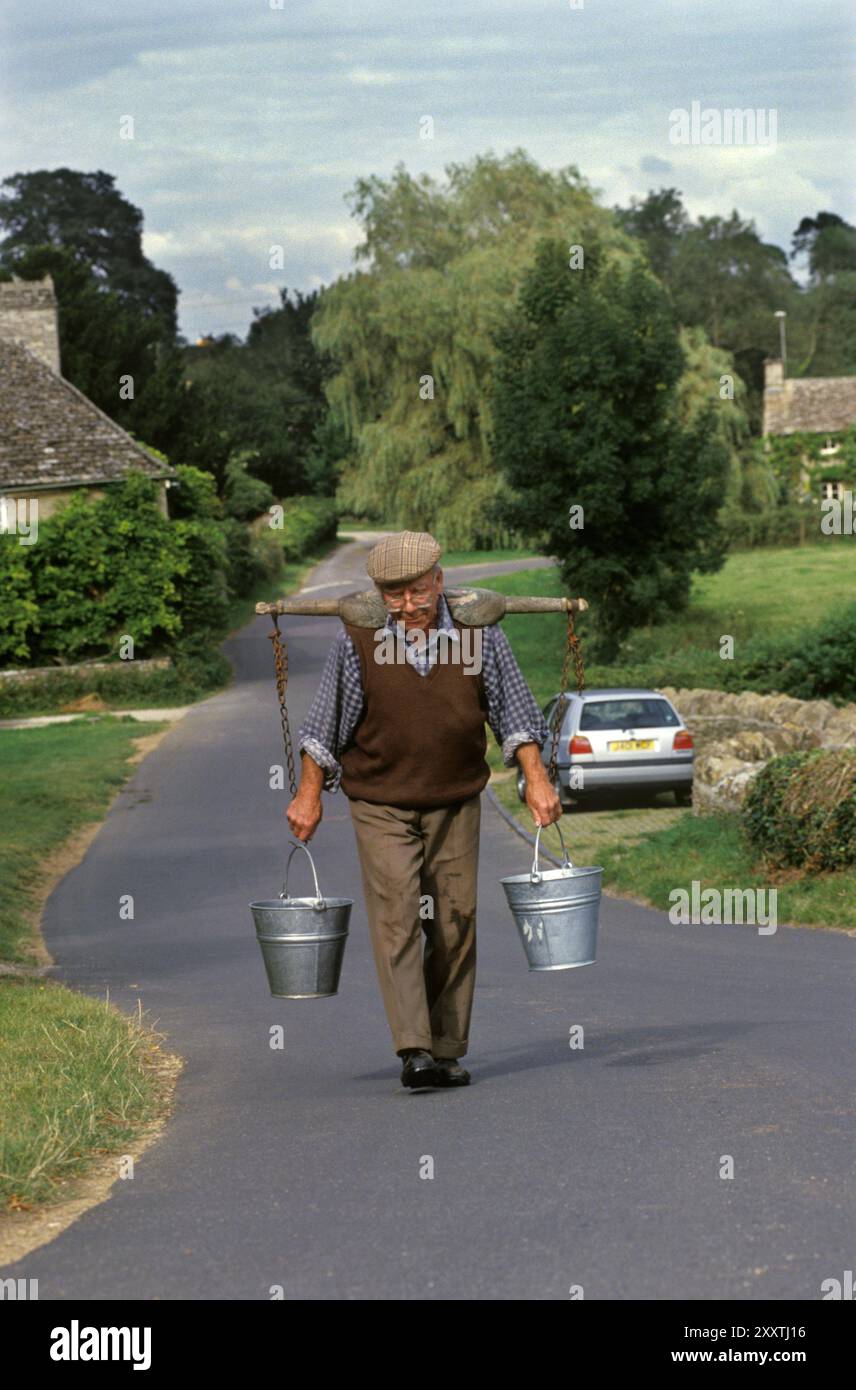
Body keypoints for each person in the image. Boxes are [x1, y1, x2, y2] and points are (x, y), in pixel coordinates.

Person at [287, 530, 562, 1090]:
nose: (407, 605)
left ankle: (447, 1048)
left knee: (455, 922)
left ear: (440, 580)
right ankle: (413, 1048)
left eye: (416, 591)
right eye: (393, 594)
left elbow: (514, 715)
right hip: (380, 802)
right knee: (400, 919)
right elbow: (321, 731)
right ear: (377, 592)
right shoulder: (357, 639)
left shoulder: (477, 634)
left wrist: (537, 781)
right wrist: (308, 794)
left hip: (456, 799)